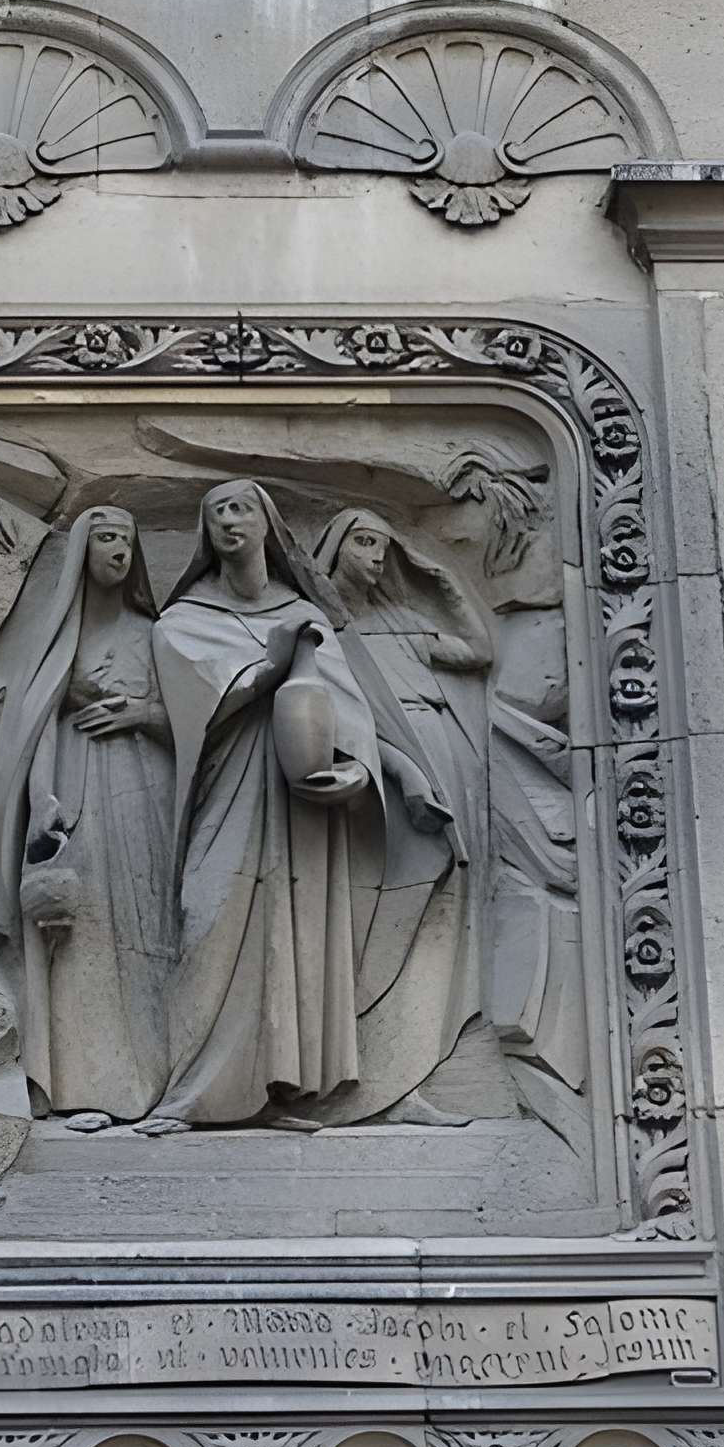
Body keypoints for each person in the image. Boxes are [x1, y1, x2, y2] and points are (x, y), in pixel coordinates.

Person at [147, 480, 457, 1129]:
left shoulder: (304, 615)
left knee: (304, 937)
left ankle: (287, 1090)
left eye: (242, 508)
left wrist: (368, 769)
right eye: (217, 511)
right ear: (205, 532)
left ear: (269, 525)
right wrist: (272, 666)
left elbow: (350, 712)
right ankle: (194, 1094)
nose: (230, 521)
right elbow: (194, 707)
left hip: (303, 809)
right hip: (229, 796)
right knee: (211, 919)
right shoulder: (183, 621)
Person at [0, 506, 173, 1124]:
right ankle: (86, 1087)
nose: (118, 550)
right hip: (76, 787)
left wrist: (142, 713)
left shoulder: (153, 633)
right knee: (77, 932)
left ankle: (154, 1083)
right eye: (106, 537)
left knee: (147, 927)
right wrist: (42, 799)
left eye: (127, 539)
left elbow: (190, 722)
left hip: (145, 792)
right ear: (83, 551)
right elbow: (37, 724)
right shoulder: (60, 637)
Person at [315, 508, 494, 1112]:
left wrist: (446, 584)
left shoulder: (402, 620)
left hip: (442, 756)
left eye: (384, 548)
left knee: (439, 916)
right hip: (378, 771)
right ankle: (364, 1075)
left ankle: (408, 1075)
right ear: (335, 547)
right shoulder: (323, 627)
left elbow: (477, 652)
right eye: (363, 542)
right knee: (380, 916)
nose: (375, 556)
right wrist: (395, 766)